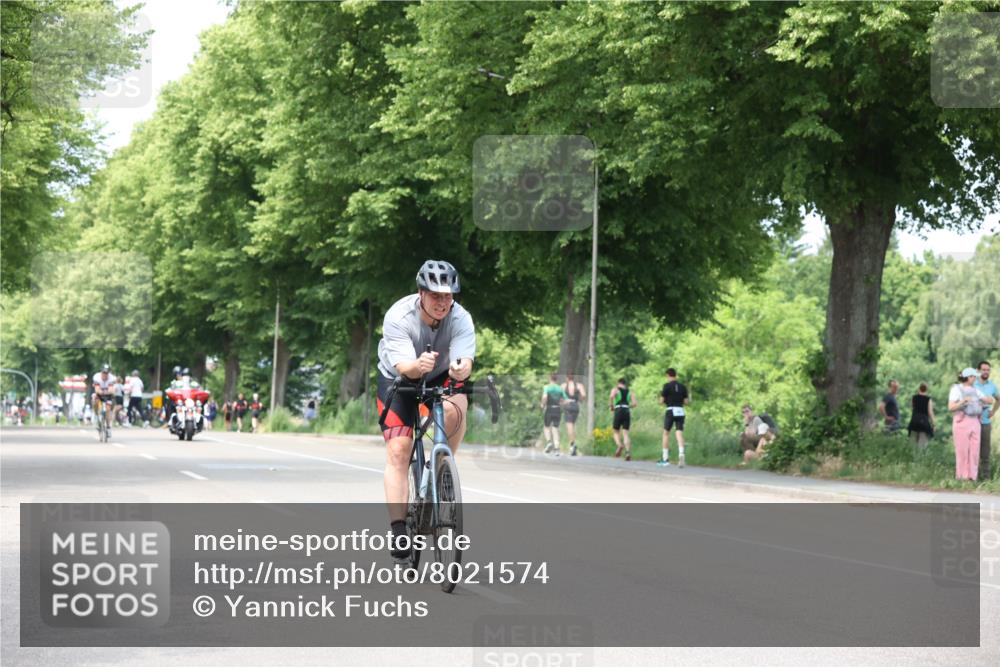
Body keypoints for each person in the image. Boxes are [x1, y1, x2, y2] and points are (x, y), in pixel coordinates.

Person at [376, 260, 475, 565]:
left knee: (457, 404)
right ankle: (398, 529)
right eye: (435, 295)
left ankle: (444, 465)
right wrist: (416, 366)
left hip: (439, 373)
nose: (443, 302)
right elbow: (404, 366)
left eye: (448, 296)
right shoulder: (398, 316)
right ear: (421, 293)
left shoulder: (461, 318)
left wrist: (461, 370)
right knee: (399, 450)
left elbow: (464, 363)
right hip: (400, 376)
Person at [948, 367, 994, 481]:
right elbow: (951, 407)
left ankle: (972, 477)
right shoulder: (956, 389)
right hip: (961, 421)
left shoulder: (975, 390)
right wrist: (963, 401)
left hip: (975, 422)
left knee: (974, 452)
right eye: (973, 377)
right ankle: (961, 477)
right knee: (962, 450)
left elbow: (989, 400)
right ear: (968, 377)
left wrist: (984, 399)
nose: (975, 379)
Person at [658, 368, 690, 468]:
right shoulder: (682, 387)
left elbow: (661, 401)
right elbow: (686, 402)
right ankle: (681, 454)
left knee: (666, 433)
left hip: (670, 410)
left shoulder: (666, 386)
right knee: (679, 432)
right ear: (676, 375)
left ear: (668, 375)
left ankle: (665, 458)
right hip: (680, 410)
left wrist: (662, 400)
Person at [975, 360, 998, 481]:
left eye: (988, 370)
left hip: (985, 423)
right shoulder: (973, 384)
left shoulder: (992, 386)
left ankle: (986, 479)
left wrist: (993, 411)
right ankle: (973, 478)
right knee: (973, 452)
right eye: (983, 370)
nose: (986, 372)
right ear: (978, 371)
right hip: (972, 423)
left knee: (985, 453)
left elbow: (998, 399)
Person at [609, 378, 637, 461]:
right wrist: (628, 406)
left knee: (615, 431)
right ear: (625, 384)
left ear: (618, 383)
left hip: (618, 410)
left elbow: (611, 397)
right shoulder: (630, 392)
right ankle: (627, 452)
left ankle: (619, 445)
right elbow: (635, 404)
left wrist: (611, 406)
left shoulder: (615, 389)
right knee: (625, 433)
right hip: (626, 411)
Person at [541, 373, 568, 455]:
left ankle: (549, 442)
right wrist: (561, 404)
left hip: (549, 408)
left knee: (546, 427)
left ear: (550, 378)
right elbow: (566, 400)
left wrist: (542, 404)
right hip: (557, 409)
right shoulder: (560, 388)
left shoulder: (547, 387)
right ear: (556, 379)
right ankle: (557, 448)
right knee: (555, 428)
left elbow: (545, 397)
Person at [906, 383, 935, 452]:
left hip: (914, 422)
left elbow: (912, 407)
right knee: (922, 446)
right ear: (926, 390)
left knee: (912, 445)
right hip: (924, 423)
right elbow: (930, 412)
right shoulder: (928, 399)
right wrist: (934, 423)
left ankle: (911, 458)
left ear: (919, 389)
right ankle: (920, 459)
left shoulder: (914, 398)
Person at [561, 374, 585, 456]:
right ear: (573, 378)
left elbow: (559, 396)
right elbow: (583, 395)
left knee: (569, 427)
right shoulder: (579, 385)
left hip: (567, 405)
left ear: (567, 378)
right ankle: (573, 443)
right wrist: (580, 400)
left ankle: (572, 445)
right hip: (575, 405)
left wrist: (563, 402)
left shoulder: (564, 385)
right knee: (573, 425)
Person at [91, 364, 117, 435]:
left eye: (106, 373)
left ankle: (108, 427)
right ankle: (96, 416)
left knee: (108, 410)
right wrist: (101, 392)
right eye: (103, 373)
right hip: (99, 393)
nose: (105, 375)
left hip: (108, 395)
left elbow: (111, 390)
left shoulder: (111, 378)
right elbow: (97, 390)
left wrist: (107, 392)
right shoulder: (97, 377)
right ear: (101, 372)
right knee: (94, 400)